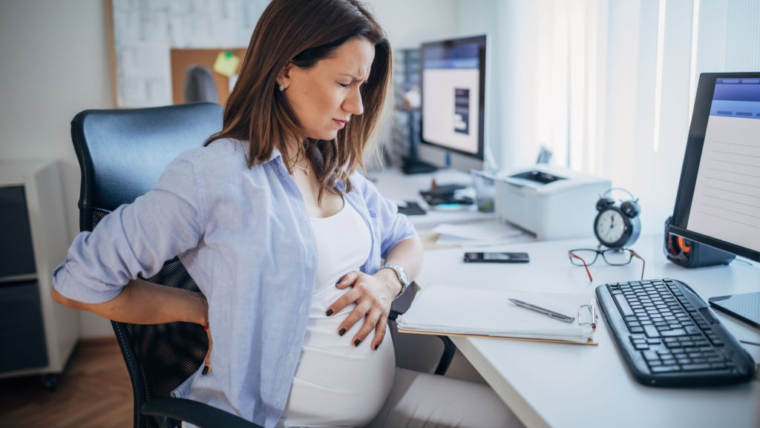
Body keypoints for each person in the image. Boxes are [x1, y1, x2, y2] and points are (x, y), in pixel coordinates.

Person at [52, 1, 524, 427]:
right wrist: (200, 308)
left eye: (362, 86)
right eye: (344, 83)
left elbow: (407, 238)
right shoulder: (214, 175)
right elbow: (79, 282)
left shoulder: (333, 166)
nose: (357, 106)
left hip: (376, 403)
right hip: (273, 418)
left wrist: (388, 282)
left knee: (509, 415)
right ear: (284, 71)